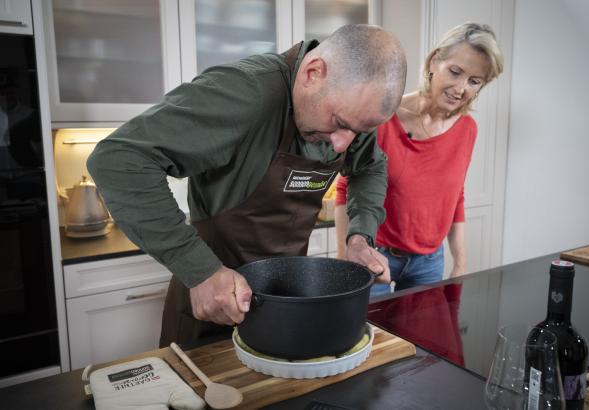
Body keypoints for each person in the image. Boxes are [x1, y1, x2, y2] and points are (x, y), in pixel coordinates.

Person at [87, 24, 407, 346]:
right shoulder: (246, 93)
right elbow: (118, 159)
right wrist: (201, 270)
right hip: (211, 309)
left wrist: (360, 237)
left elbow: (370, 166)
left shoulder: (351, 110)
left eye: (357, 131)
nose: (342, 145)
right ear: (313, 73)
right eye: (338, 123)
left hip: (286, 304)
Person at [335, 22, 504, 296]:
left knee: (422, 339)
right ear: (434, 61)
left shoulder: (467, 129)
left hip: (428, 263)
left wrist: (460, 262)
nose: (461, 89)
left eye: (474, 81)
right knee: (374, 336)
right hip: (374, 255)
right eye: (455, 72)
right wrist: (348, 255)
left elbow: (456, 196)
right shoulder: (384, 117)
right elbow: (347, 187)